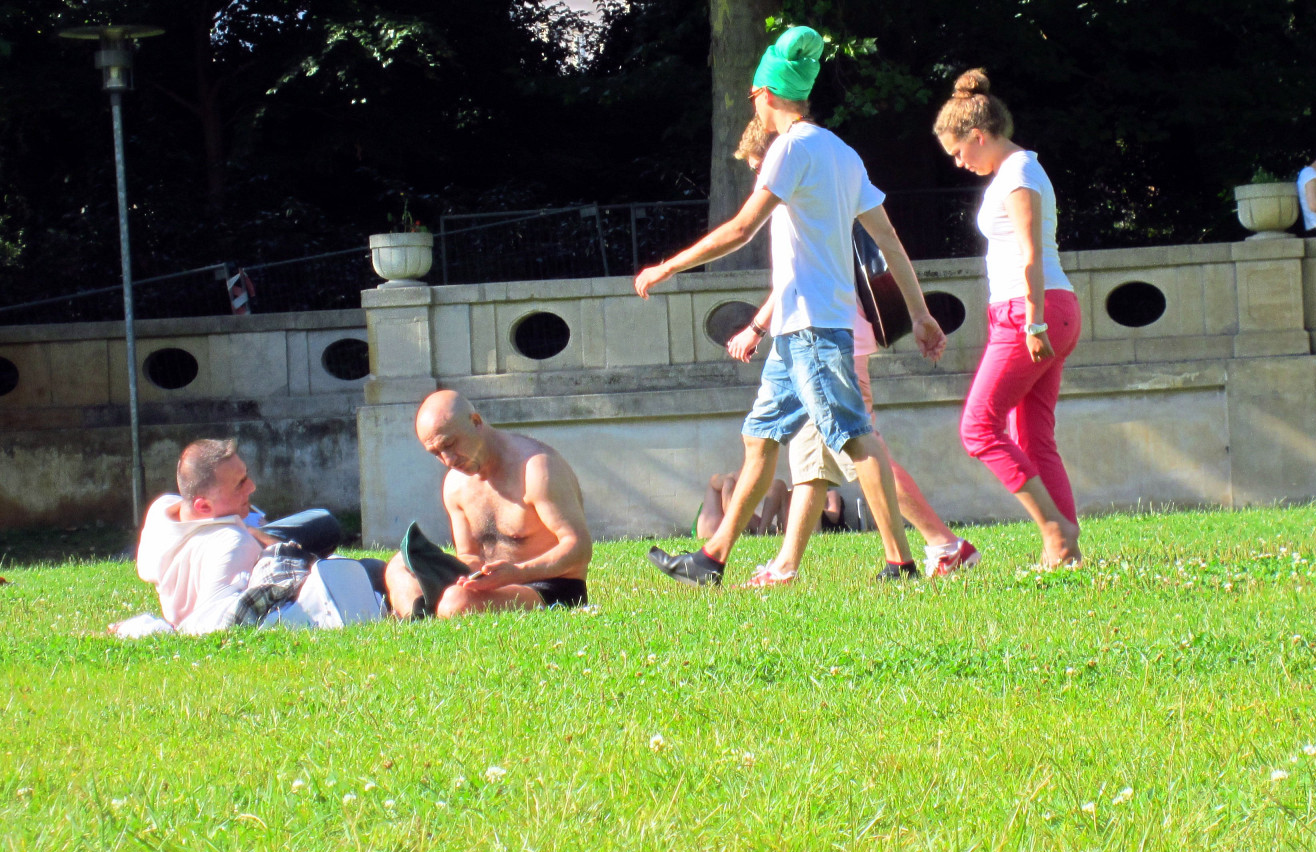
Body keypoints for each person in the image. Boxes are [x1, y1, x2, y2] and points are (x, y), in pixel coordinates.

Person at [634, 25, 947, 586]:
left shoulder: (790, 149)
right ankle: (710, 560)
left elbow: (741, 228)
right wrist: (920, 313)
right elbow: (889, 240)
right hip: (797, 329)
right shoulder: (840, 152)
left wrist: (669, 266)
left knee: (855, 436)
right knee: (760, 437)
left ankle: (900, 563)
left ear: (767, 93)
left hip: (814, 328)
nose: (752, 102)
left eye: (753, 94)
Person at [725, 120, 979, 587]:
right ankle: (785, 566)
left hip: (829, 340)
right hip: (823, 336)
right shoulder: (822, 184)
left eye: (760, 166)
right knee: (813, 462)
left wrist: (756, 327)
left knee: (860, 448)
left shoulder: (798, 193)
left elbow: (799, 277)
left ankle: (945, 544)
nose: (760, 177)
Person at [933, 69, 1083, 569]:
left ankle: (1054, 531)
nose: (959, 162)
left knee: (979, 427)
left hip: (1031, 310)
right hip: (1039, 309)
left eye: (959, 151)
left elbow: (1030, 254)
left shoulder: (1018, 174)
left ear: (979, 135)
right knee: (1033, 437)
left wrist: (1034, 323)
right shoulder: (1017, 172)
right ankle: (1065, 550)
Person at [384, 390, 592, 617]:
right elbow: (469, 556)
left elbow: (579, 547)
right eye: (436, 453)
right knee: (398, 565)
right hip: (490, 587)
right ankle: (419, 617)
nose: (448, 460)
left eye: (450, 444)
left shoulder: (537, 469)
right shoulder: (455, 484)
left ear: (476, 422)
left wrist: (518, 572)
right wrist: (461, 573)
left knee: (456, 601)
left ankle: (431, 612)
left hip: (549, 587)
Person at [128, 438, 360, 635]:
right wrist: (254, 537)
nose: (252, 487)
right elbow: (215, 621)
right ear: (204, 506)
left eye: (245, 476)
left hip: (228, 535)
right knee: (325, 524)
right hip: (245, 548)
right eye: (239, 485)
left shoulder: (161, 511)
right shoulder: (234, 544)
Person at [697, 471, 790, 541]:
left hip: (738, 526)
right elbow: (728, 482)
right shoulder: (720, 481)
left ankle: (763, 534)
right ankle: (762, 534)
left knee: (778, 485)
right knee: (778, 486)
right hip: (720, 529)